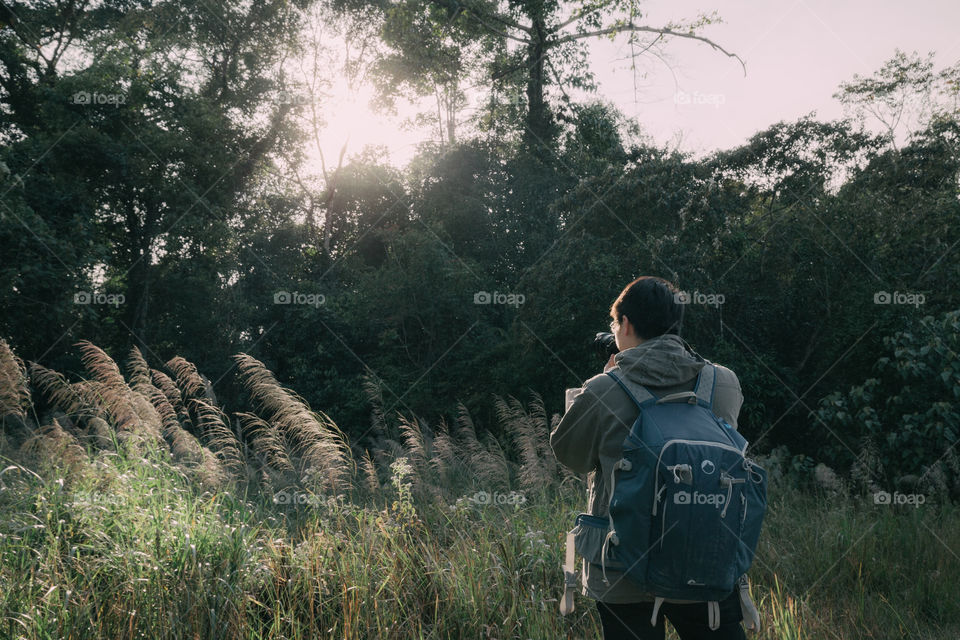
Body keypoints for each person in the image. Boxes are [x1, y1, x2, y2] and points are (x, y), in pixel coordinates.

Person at [550, 276, 749, 640]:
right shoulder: (723, 383)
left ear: (625, 323)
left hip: (623, 569)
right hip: (705, 562)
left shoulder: (604, 389)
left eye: (615, 324)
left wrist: (598, 385)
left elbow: (571, 456)